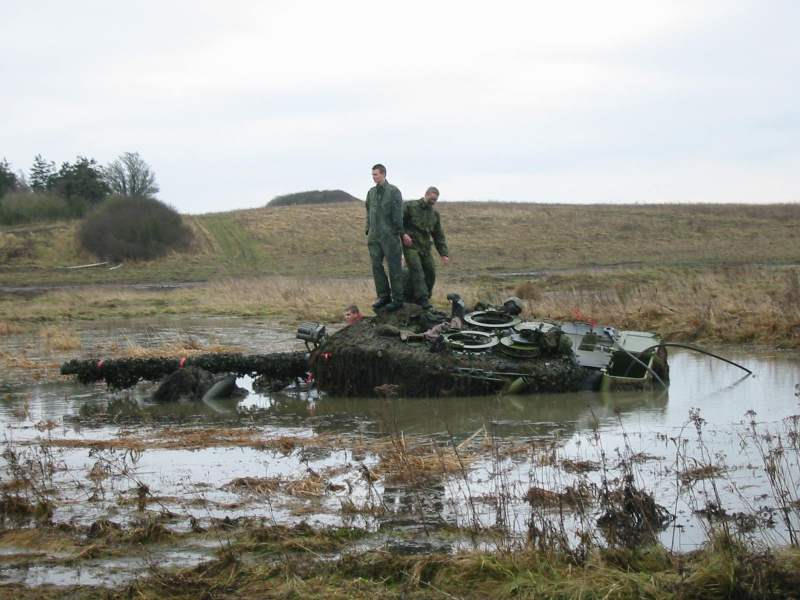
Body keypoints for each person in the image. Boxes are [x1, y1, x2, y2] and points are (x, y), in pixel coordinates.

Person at [401, 186, 449, 310]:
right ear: (426, 194)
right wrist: (403, 234)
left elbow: (438, 235)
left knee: (430, 272)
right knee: (417, 271)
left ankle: (424, 297)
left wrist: (444, 254)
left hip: (425, 248)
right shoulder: (410, 206)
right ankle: (422, 299)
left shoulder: (434, 215)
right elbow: (397, 222)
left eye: (435, 200)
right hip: (410, 246)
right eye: (432, 198)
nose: (433, 202)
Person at [365, 163, 404, 312]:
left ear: (383, 174)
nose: (373, 177)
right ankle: (383, 296)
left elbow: (398, 214)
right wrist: (368, 229)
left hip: (389, 236)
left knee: (394, 267)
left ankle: (398, 299)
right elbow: (368, 211)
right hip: (374, 236)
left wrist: (398, 231)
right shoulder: (371, 193)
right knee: (376, 266)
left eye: (376, 174)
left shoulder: (393, 191)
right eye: (372, 174)